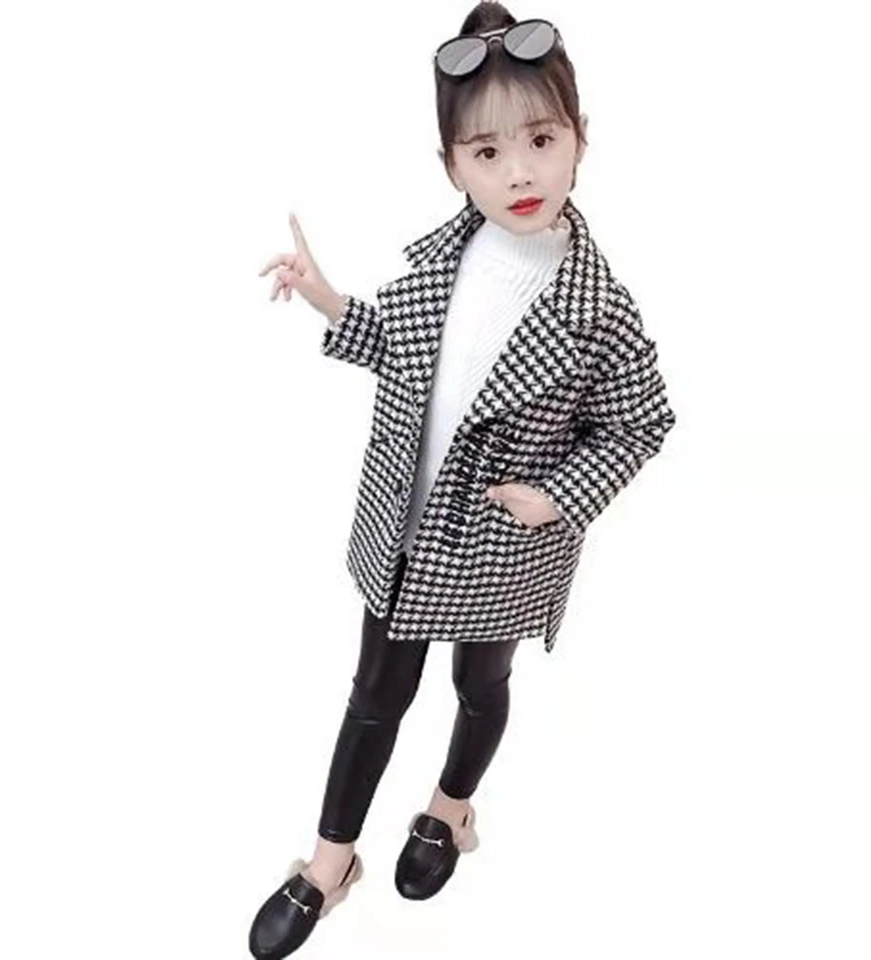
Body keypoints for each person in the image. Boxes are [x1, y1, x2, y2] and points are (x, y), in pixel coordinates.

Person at [250, 3, 677, 956]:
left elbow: (641, 420)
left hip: (504, 545)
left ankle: (449, 811)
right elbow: (406, 361)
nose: (519, 172)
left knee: (481, 683)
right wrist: (328, 300)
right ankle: (329, 864)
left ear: (580, 139)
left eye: (540, 140)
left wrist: (560, 494)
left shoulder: (598, 305)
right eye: (487, 152)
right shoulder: (445, 259)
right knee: (374, 693)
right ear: (451, 165)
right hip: (408, 527)